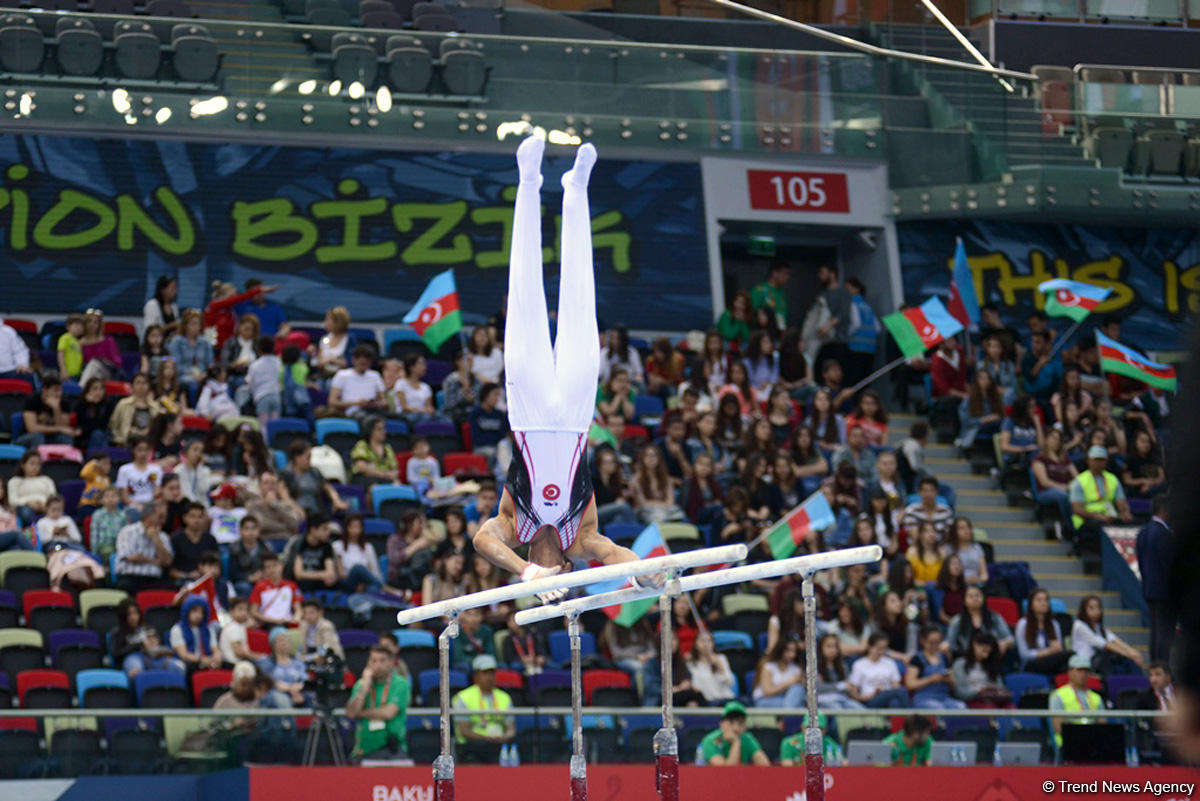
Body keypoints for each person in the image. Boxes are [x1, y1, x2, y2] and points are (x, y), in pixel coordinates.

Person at [469, 138, 645, 604]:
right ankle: (576, 190)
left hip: (525, 412)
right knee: (579, 300)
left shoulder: (512, 526)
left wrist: (526, 572)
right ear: (568, 568)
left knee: (524, 297)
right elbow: (614, 553)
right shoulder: (581, 538)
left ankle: (528, 182)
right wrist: (648, 573)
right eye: (556, 577)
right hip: (574, 414)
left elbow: (480, 541)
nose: (552, 573)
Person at [347, 644, 411, 761]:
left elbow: (388, 713)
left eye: (382, 660)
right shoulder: (361, 684)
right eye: (373, 660)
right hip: (363, 750)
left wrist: (360, 713)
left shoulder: (400, 684)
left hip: (392, 751)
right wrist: (365, 687)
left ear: (391, 663)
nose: (377, 665)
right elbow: (351, 713)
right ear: (368, 663)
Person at [1069, 445, 1133, 555]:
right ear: (1089, 461)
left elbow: (1121, 502)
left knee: (1132, 524)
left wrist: (1125, 512)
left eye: (1102, 460)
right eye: (1096, 459)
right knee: (1099, 526)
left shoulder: (1112, 479)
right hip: (1087, 520)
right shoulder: (1079, 481)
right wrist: (1098, 516)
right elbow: (1077, 509)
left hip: (1109, 516)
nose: (1099, 462)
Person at [452, 654, 514, 764]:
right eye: (485, 673)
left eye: (492, 673)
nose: (489, 677)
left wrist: (504, 736)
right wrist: (487, 738)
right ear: (476, 676)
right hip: (472, 747)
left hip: (498, 745)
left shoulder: (505, 697)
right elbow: (464, 730)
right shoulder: (463, 697)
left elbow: (511, 729)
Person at [1136, 496, 1174, 663]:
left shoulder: (1143, 531)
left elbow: (1141, 562)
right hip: (1165, 591)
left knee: (1155, 631)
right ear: (1164, 510)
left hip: (1149, 588)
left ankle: (1155, 665)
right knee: (1164, 632)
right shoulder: (1163, 533)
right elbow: (1169, 565)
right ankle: (1162, 666)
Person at [1072, 594, 1144, 674]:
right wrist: (1128, 654)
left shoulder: (1098, 627)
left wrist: (1132, 651)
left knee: (1128, 662)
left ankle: (1140, 683)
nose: (1096, 611)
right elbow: (1103, 644)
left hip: (1100, 660)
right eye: (1091, 608)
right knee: (1113, 657)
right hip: (1086, 662)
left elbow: (1113, 639)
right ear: (1083, 610)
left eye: (1098, 608)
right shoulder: (1079, 625)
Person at [114, 502, 174, 592]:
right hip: (130, 577)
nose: (163, 521)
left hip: (154, 579)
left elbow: (167, 562)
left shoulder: (163, 536)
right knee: (125, 586)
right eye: (160, 517)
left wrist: (156, 540)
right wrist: (156, 561)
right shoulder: (127, 532)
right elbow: (132, 558)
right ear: (148, 516)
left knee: (168, 589)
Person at [1049, 653, 1105, 747]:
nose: (1083, 674)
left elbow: (1103, 725)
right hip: (1068, 743)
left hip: (1093, 742)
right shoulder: (1058, 696)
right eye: (1079, 670)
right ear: (1070, 672)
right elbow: (1057, 727)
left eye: (1086, 671)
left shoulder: (1097, 697)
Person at [282, 441, 347, 516]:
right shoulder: (286, 474)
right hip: (296, 513)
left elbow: (327, 487)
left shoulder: (314, 472)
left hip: (316, 512)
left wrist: (336, 500)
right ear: (297, 457)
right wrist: (298, 510)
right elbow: (285, 497)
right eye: (308, 457)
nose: (310, 461)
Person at [1015, 588, 1070, 675]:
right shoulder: (1023, 624)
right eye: (1039, 600)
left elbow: (1058, 648)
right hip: (1032, 664)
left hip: (1051, 661)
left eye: (1046, 600)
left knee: (1070, 660)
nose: (1043, 603)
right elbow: (1024, 655)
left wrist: (1056, 648)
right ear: (1031, 605)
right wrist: (1049, 651)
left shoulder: (1054, 624)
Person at [847, 633, 908, 708]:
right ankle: (912, 716)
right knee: (901, 691)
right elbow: (853, 691)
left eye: (884, 648)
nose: (881, 652)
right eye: (879, 648)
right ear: (870, 647)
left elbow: (895, 685)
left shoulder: (890, 663)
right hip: (870, 699)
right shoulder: (859, 664)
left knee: (895, 703)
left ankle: (906, 718)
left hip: (888, 695)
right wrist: (863, 698)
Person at [1033, 427, 1077, 530]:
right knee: (1063, 496)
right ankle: (1070, 526)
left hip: (1067, 489)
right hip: (1046, 491)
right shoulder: (1039, 459)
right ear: (1046, 439)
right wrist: (1064, 487)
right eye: (1053, 438)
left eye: (1058, 439)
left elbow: (1077, 477)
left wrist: (1074, 486)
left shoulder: (1065, 459)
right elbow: (1044, 482)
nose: (1056, 441)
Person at [699, 701, 770, 766]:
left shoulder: (747, 738)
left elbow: (764, 765)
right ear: (721, 724)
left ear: (745, 726)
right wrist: (736, 743)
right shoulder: (710, 740)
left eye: (740, 723)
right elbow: (726, 772)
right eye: (731, 722)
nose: (735, 728)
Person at [951, 631, 1011, 706]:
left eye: (988, 649)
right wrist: (979, 691)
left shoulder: (992, 664)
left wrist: (995, 689)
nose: (986, 650)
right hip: (974, 699)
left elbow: (1001, 687)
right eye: (982, 647)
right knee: (989, 708)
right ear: (974, 645)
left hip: (993, 697)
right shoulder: (960, 664)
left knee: (1010, 707)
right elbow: (959, 692)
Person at [18, 375, 77, 448]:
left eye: (60, 390)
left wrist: (56, 409)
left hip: (53, 437)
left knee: (65, 438)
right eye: (56, 390)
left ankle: (65, 459)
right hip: (28, 436)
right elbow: (32, 428)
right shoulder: (32, 401)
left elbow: (64, 427)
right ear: (45, 390)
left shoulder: (64, 403)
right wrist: (58, 429)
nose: (59, 393)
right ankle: (35, 459)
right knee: (38, 437)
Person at [468, 383, 512, 480]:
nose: (497, 398)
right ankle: (508, 476)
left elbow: (502, 434)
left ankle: (504, 476)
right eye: (495, 395)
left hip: (499, 446)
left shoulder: (499, 414)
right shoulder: (475, 413)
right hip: (482, 447)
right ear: (486, 395)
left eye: (499, 395)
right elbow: (476, 436)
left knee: (504, 445)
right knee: (497, 450)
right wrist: (494, 441)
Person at [245, 471, 305, 541]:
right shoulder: (253, 505)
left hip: (286, 541)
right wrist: (285, 527)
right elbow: (261, 524)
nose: (270, 486)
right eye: (266, 483)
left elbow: (295, 525)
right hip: (265, 542)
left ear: (277, 486)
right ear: (260, 486)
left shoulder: (285, 505)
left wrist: (276, 505)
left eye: (273, 483)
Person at [330, 345, 387, 418]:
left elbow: (383, 401)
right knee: (369, 419)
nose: (363, 362)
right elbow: (332, 402)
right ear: (353, 360)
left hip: (373, 410)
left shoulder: (375, 375)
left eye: (367, 360)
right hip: (353, 411)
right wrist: (356, 403)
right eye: (360, 361)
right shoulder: (342, 375)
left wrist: (374, 404)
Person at [109, 373, 163, 447]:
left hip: (149, 443)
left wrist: (149, 431)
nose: (141, 386)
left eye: (144, 383)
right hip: (127, 442)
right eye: (138, 383)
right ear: (132, 386)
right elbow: (113, 426)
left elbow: (159, 428)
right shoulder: (123, 404)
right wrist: (121, 437)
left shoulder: (155, 406)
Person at [249, 552, 302, 627]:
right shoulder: (259, 587)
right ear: (264, 571)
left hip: (287, 622)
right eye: (268, 567)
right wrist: (274, 621)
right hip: (268, 623)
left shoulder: (291, 586)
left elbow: (298, 609)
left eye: (275, 565)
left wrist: (295, 620)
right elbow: (254, 612)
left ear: (281, 566)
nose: (272, 569)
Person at [169, 595, 222, 670]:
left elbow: (215, 649)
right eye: (195, 611)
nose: (199, 615)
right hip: (189, 662)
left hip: (207, 660)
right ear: (187, 611)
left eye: (201, 612)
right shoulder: (177, 629)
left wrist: (217, 657)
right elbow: (183, 654)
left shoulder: (208, 629)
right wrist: (201, 660)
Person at [752, 637, 805, 709]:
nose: (792, 655)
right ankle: (791, 710)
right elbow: (767, 692)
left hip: (786, 699)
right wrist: (789, 683)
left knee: (798, 688)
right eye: (788, 651)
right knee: (797, 706)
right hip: (765, 700)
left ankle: (790, 710)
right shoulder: (768, 666)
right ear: (780, 650)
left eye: (794, 651)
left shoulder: (796, 668)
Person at [169, 309, 215, 393]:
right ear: (185, 325)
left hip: (203, 376)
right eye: (193, 324)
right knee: (193, 384)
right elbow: (175, 366)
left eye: (199, 324)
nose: (197, 327)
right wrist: (192, 374)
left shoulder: (205, 343)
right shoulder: (176, 342)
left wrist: (205, 374)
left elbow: (210, 364)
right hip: (183, 376)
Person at [956, 368, 1004, 449]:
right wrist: (983, 420)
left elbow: (1001, 414)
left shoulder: (994, 398)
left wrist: (996, 417)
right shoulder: (969, 400)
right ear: (977, 380)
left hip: (993, 426)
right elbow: (965, 421)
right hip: (975, 428)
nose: (986, 381)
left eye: (988, 378)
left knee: (1002, 423)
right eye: (983, 378)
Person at [171, 501, 219, 581]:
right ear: (184, 518)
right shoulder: (175, 539)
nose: (196, 520)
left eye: (200, 517)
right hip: (183, 581)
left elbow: (216, 566)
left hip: (207, 579)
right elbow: (170, 570)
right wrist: (187, 575)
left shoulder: (210, 539)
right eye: (192, 516)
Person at [260, 626, 308, 706]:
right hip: (276, 697)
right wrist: (289, 688)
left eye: (286, 639)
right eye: (280, 640)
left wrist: (297, 688)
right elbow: (270, 682)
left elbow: (304, 680)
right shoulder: (267, 663)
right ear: (273, 644)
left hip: (298, 693)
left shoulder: (298, 663)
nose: (284, 642)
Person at [685, 631, 735, 705]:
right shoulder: (691, 664)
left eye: (709, 641)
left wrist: (720, 667)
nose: (706, 644)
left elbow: (730, 682)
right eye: (702, 640)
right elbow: (696, 687)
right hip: (707, 702)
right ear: (695, 644)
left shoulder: (721, 658)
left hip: (726, 699)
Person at [1021, 330, 1063, 410]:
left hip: (1052, 395)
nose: (1034, 345)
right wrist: (1040, 364)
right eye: (1033, 342)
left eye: (1038, 342)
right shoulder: (1027, 358)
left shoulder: (1054, 359)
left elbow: (1059, 379)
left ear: (1047, 343)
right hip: (1034, 396)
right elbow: (1030, 378)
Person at [219, 596, 268, 665]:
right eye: (240, 609)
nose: (244, 613)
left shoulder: (238, 626)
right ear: (231, 612)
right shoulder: (234, 627)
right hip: (233, 665)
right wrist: (259, 656)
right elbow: (238, 652)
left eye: (246, 610)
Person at [944, 516, 988, 586]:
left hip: (976, 584)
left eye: (968, 527)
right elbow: (945, 573)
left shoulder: (977, 548)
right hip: (956, 584)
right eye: (962, 528)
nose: (966, 531)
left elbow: (984, 574)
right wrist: (963, 579)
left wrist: (979, 580)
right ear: (954, 531)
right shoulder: (948, 549)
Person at [0, 318, 32, 387]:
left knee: (27, 375)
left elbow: (20, 351)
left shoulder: (8, 331)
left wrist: (22, 364)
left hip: (8, 371)